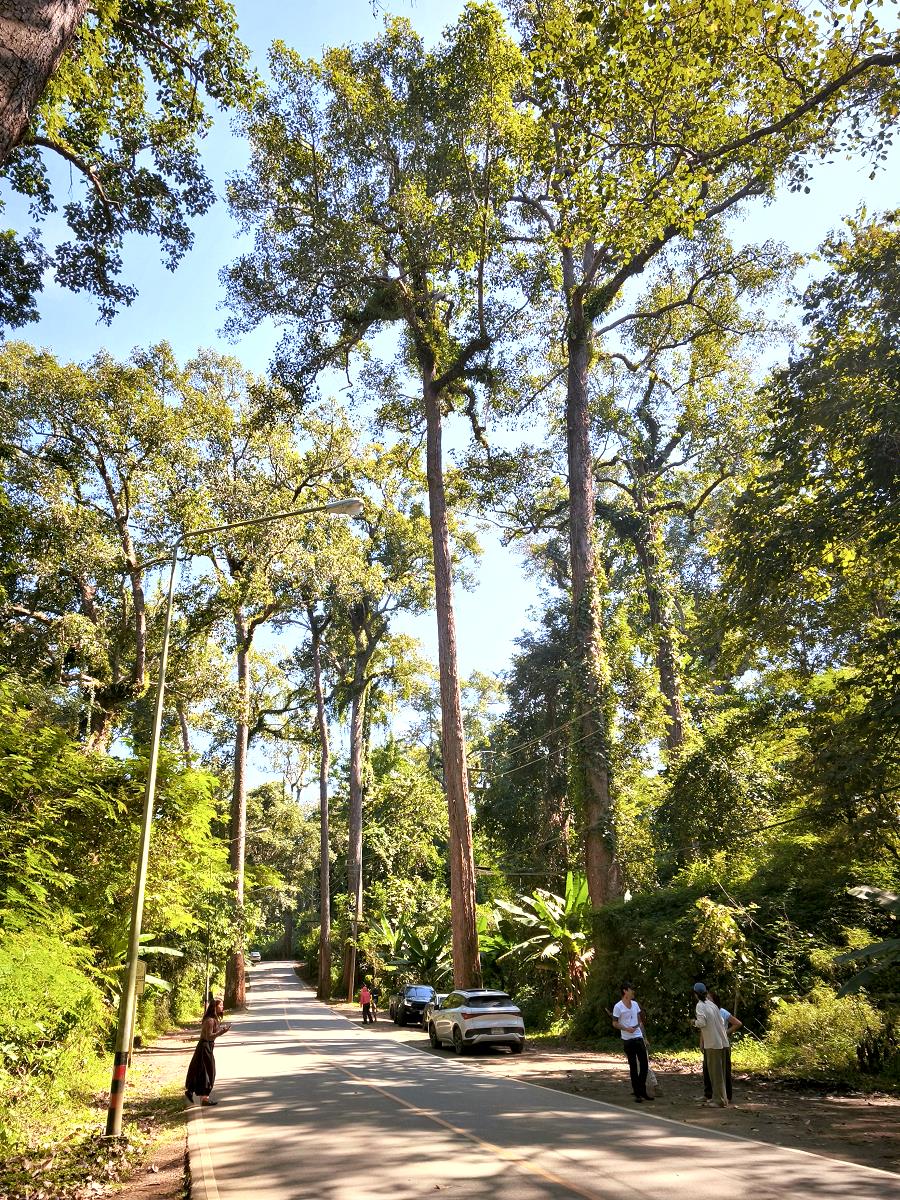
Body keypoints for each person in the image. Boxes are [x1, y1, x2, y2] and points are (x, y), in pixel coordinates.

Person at [612, 982, 654, 1102]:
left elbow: (639, 1021)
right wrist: (626, 1028)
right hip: (628, 1040)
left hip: (638, 1037)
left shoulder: (635, 1004)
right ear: (625, 991)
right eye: (631, 989)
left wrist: (644, 1036)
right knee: (633, 1066)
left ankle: (642, 1089)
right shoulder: (618, 1007)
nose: (633, 992)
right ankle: (637, 1093)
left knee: (644, 1065)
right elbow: (614, 1023)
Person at [185, 996, 231, 1105]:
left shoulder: (212, 1019)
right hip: (205, 1047)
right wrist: (222, 1032)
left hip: (206, 1046)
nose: (222, 1007)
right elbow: (209, 1036)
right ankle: (203, 1098)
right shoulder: (210, 1020)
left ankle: (192, 1092)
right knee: (209, 1072)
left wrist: (221, 1031)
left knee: (200, 1070)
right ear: (214, 1007)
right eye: (220, 1005)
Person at [692, 982, 729, 1107]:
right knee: (720, 1073)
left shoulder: (700, 1005)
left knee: (715, 1074)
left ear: (695, 994)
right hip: (722, 1041)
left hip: (712, 1043)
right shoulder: (712, 1004)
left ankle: (719, 1100)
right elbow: (721, 1021)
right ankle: (722, 1098)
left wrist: (693, 1022)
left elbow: (702, 1023)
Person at [702, 990, 742, 1103]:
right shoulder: (706, 1012)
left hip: (721, 1045)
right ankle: (708, 1094)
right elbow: (703, 1029)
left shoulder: (722, 1012)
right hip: (709, 1044)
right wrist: (702, 1042)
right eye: (706, 999)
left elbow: (737, 1023)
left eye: (709, 999)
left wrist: (725, 1032)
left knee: (724, 1070)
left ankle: (727, 1096)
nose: (707, 1001)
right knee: (707, 1069)